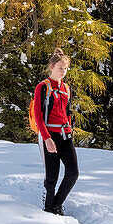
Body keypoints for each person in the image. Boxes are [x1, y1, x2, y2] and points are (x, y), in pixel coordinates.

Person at [32, 48, 78, 215]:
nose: (63, 71)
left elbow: (67, 113)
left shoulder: (66, 88)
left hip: (65, 135)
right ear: (51, 67)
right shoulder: (42, 87)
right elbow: (38, 115)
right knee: (52, 176)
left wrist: (69, 130)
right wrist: (46, 138)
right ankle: (49, 209)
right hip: (49, 135)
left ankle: (57, 204)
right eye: (60, 68)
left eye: (65, 68)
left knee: (73, 173)